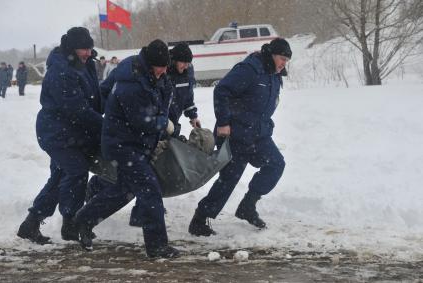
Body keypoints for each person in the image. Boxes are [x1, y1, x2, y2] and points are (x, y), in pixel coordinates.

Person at [74, 39, 179, 258]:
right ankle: (157, 246)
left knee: (124, 190)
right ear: (150, 64)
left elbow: (163, 100)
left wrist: (169, 119)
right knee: (150, 189)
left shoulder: (154, 75)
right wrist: (164, 124)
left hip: (137, 144)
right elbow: (141, 119)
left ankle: (83, 220)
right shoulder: (130, 83)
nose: (163, 71)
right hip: (122, 145)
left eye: (165, 67)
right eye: (160, 67)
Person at [188, 38, 292, 236]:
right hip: (235, 133)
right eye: (281, 59)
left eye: (286, 61)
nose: (283, 64)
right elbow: (221, 90)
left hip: (258, 134)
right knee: (229, 178)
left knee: (276, 164)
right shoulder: (250, 69)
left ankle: (248, 205)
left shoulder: (274, 74)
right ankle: (200, 219)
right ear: (271, 55)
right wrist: (224, 122)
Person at [17, 27, 103, 244]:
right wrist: (104, 125)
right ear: (72, 48)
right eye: (83, 49)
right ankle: (70, 222)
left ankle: (32, 222)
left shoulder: (86, 63)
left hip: (73, 133)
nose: (87, 53)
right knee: (76, 172)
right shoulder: (61, 71)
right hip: (56, 133)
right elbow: (76, 109)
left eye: (89, 48)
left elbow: (94, 96)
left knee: (60, 177)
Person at [167, 42, 200, 137]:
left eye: (188, 63)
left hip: (174, 121)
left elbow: (188, 97)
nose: (186, 66)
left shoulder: (188, 72)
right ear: (174, 61)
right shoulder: (164, 72)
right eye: (184, 62)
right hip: (160, 123)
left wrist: (193, 116)